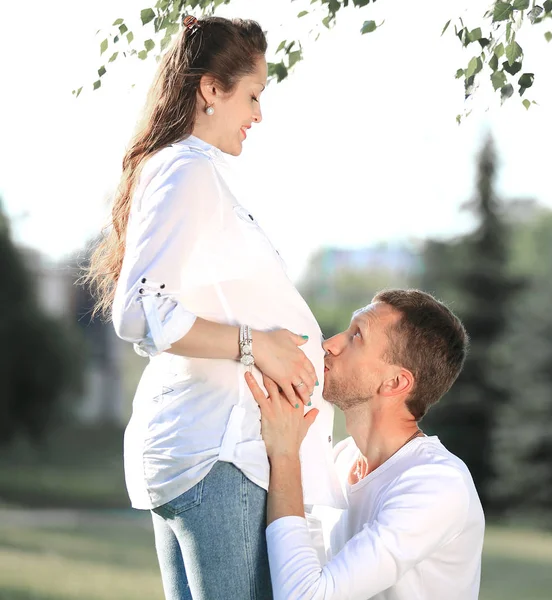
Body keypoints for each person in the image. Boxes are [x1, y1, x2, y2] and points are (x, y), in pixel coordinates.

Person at [83, 14, 345, 600]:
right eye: (252, 95)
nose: (258, 114)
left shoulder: (187, 172)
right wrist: (260, 345)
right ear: (210, 89)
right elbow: (143, 310)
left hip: (205, 449)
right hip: (219, 454)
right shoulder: (187, 170)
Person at [245, 289, 485, 600]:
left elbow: (304, 595)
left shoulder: (436, 485)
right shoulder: (341, 459)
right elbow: (294, 564)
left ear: (395, 383)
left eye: (356, 336)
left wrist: (285, 454)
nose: (329, 345)